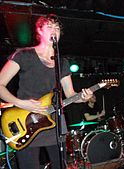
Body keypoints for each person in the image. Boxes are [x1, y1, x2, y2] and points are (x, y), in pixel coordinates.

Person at [0, 14, 93, 169]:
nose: (54, 30)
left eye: (57, 28)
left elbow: (70, 95)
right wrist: (21, 103)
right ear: (39, 31)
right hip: (25, 121)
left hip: (54, 125)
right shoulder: (24, 55)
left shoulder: (62, 63)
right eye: (49, 26)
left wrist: (83, 97)